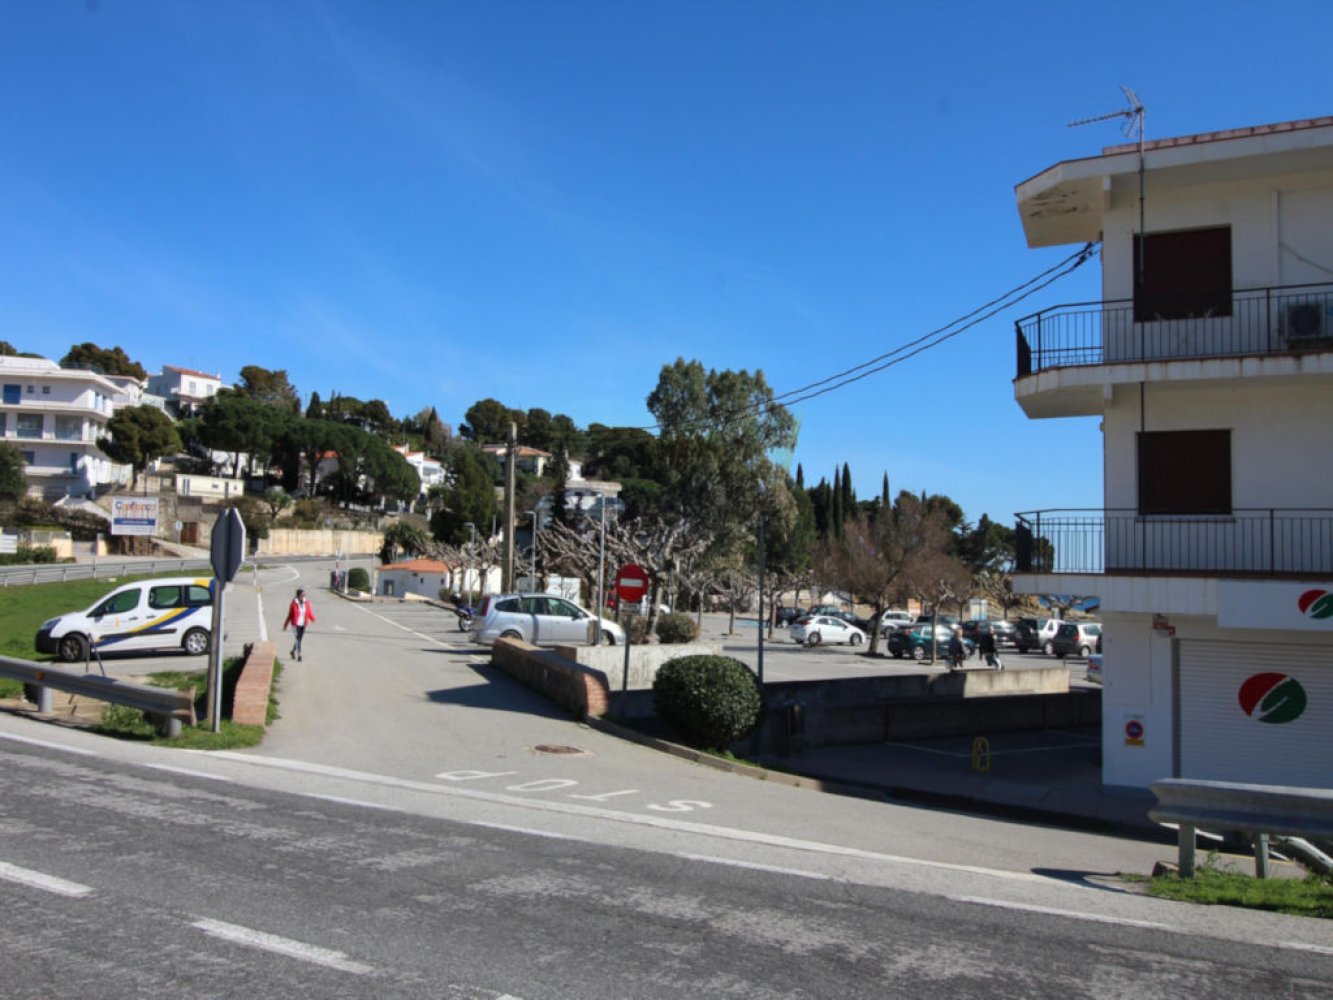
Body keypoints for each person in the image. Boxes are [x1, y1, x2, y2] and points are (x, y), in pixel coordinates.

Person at [283, 588, 316, 661]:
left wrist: (313, 619)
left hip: (303, 624)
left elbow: (309, 612)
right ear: (298, 595)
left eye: (304, 595)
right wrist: (285, 625)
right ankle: (299, 655)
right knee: (298, 640)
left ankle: (292, 651)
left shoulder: (306, 602)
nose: (304, 596)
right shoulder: (293, 604)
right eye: (302, 595)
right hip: (295, 624)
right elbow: (289, 615)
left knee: (299, 640)